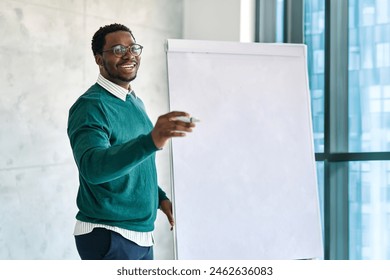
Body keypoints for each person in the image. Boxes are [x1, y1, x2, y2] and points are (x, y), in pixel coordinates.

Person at [67, 23, 195, 260]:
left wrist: (159, 198)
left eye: (134, 48)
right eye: (117, 49)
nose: (129, 55)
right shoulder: (91, 106)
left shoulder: (134, 102)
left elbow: (136, 162)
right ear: (98, 59)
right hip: (108, 234)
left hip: (140, 234)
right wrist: (151, 140)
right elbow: (92, 168)